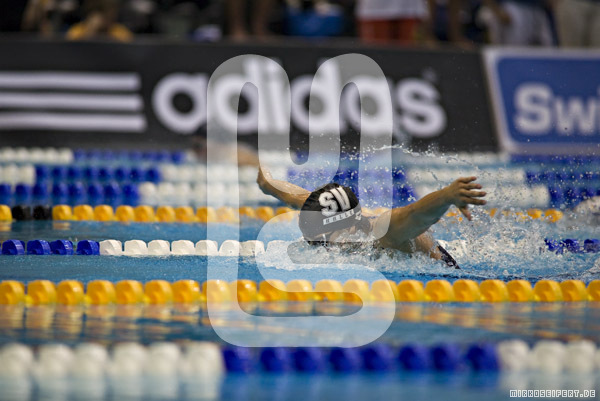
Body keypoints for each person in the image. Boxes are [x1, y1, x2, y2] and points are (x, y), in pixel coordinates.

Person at [257, 166, 487, 268]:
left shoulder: (383, 232)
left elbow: (415, 214)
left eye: (323, 242)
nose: (321, 248)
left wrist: (447, 196)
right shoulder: (331, 215)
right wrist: (267, 183)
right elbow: (297, 196)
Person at [67, 0, 133, 42]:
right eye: (106, 15)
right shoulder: (78, 31)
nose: (113, 16)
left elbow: (128, 52)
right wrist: (90, 32)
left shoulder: (120, 31)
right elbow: (70, 51)